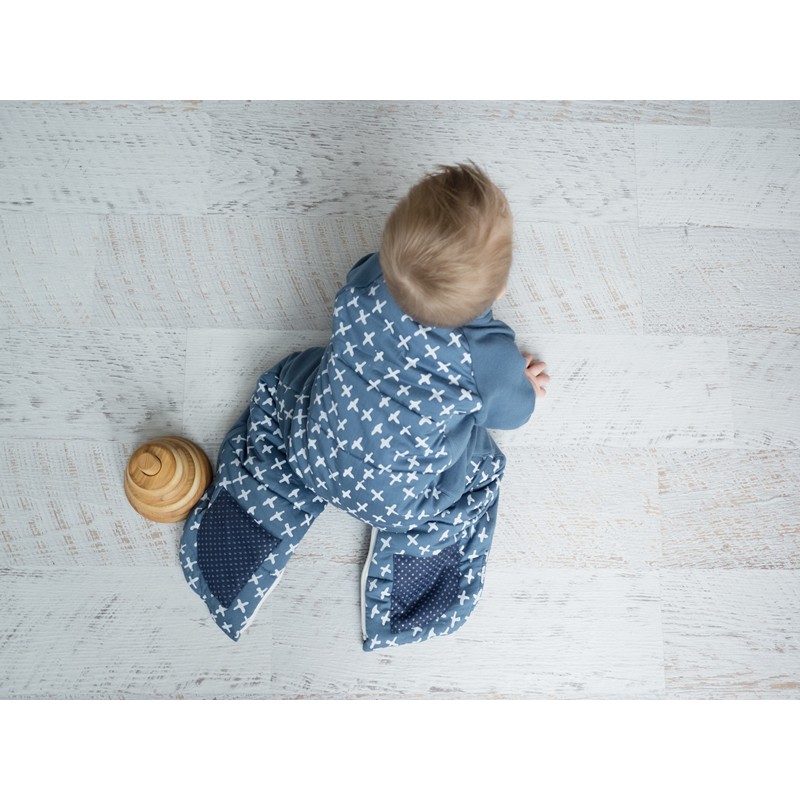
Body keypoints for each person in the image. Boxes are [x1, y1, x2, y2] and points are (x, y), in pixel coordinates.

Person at [179, 161, 550, 650]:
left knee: (301, 372)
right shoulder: (489, 359)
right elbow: (514, 414)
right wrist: (522, 382)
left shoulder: (369, 277)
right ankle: (398, 587)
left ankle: (248, 554)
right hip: (401, 504)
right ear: (499, 289)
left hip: (310, 449)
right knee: (478, 458)